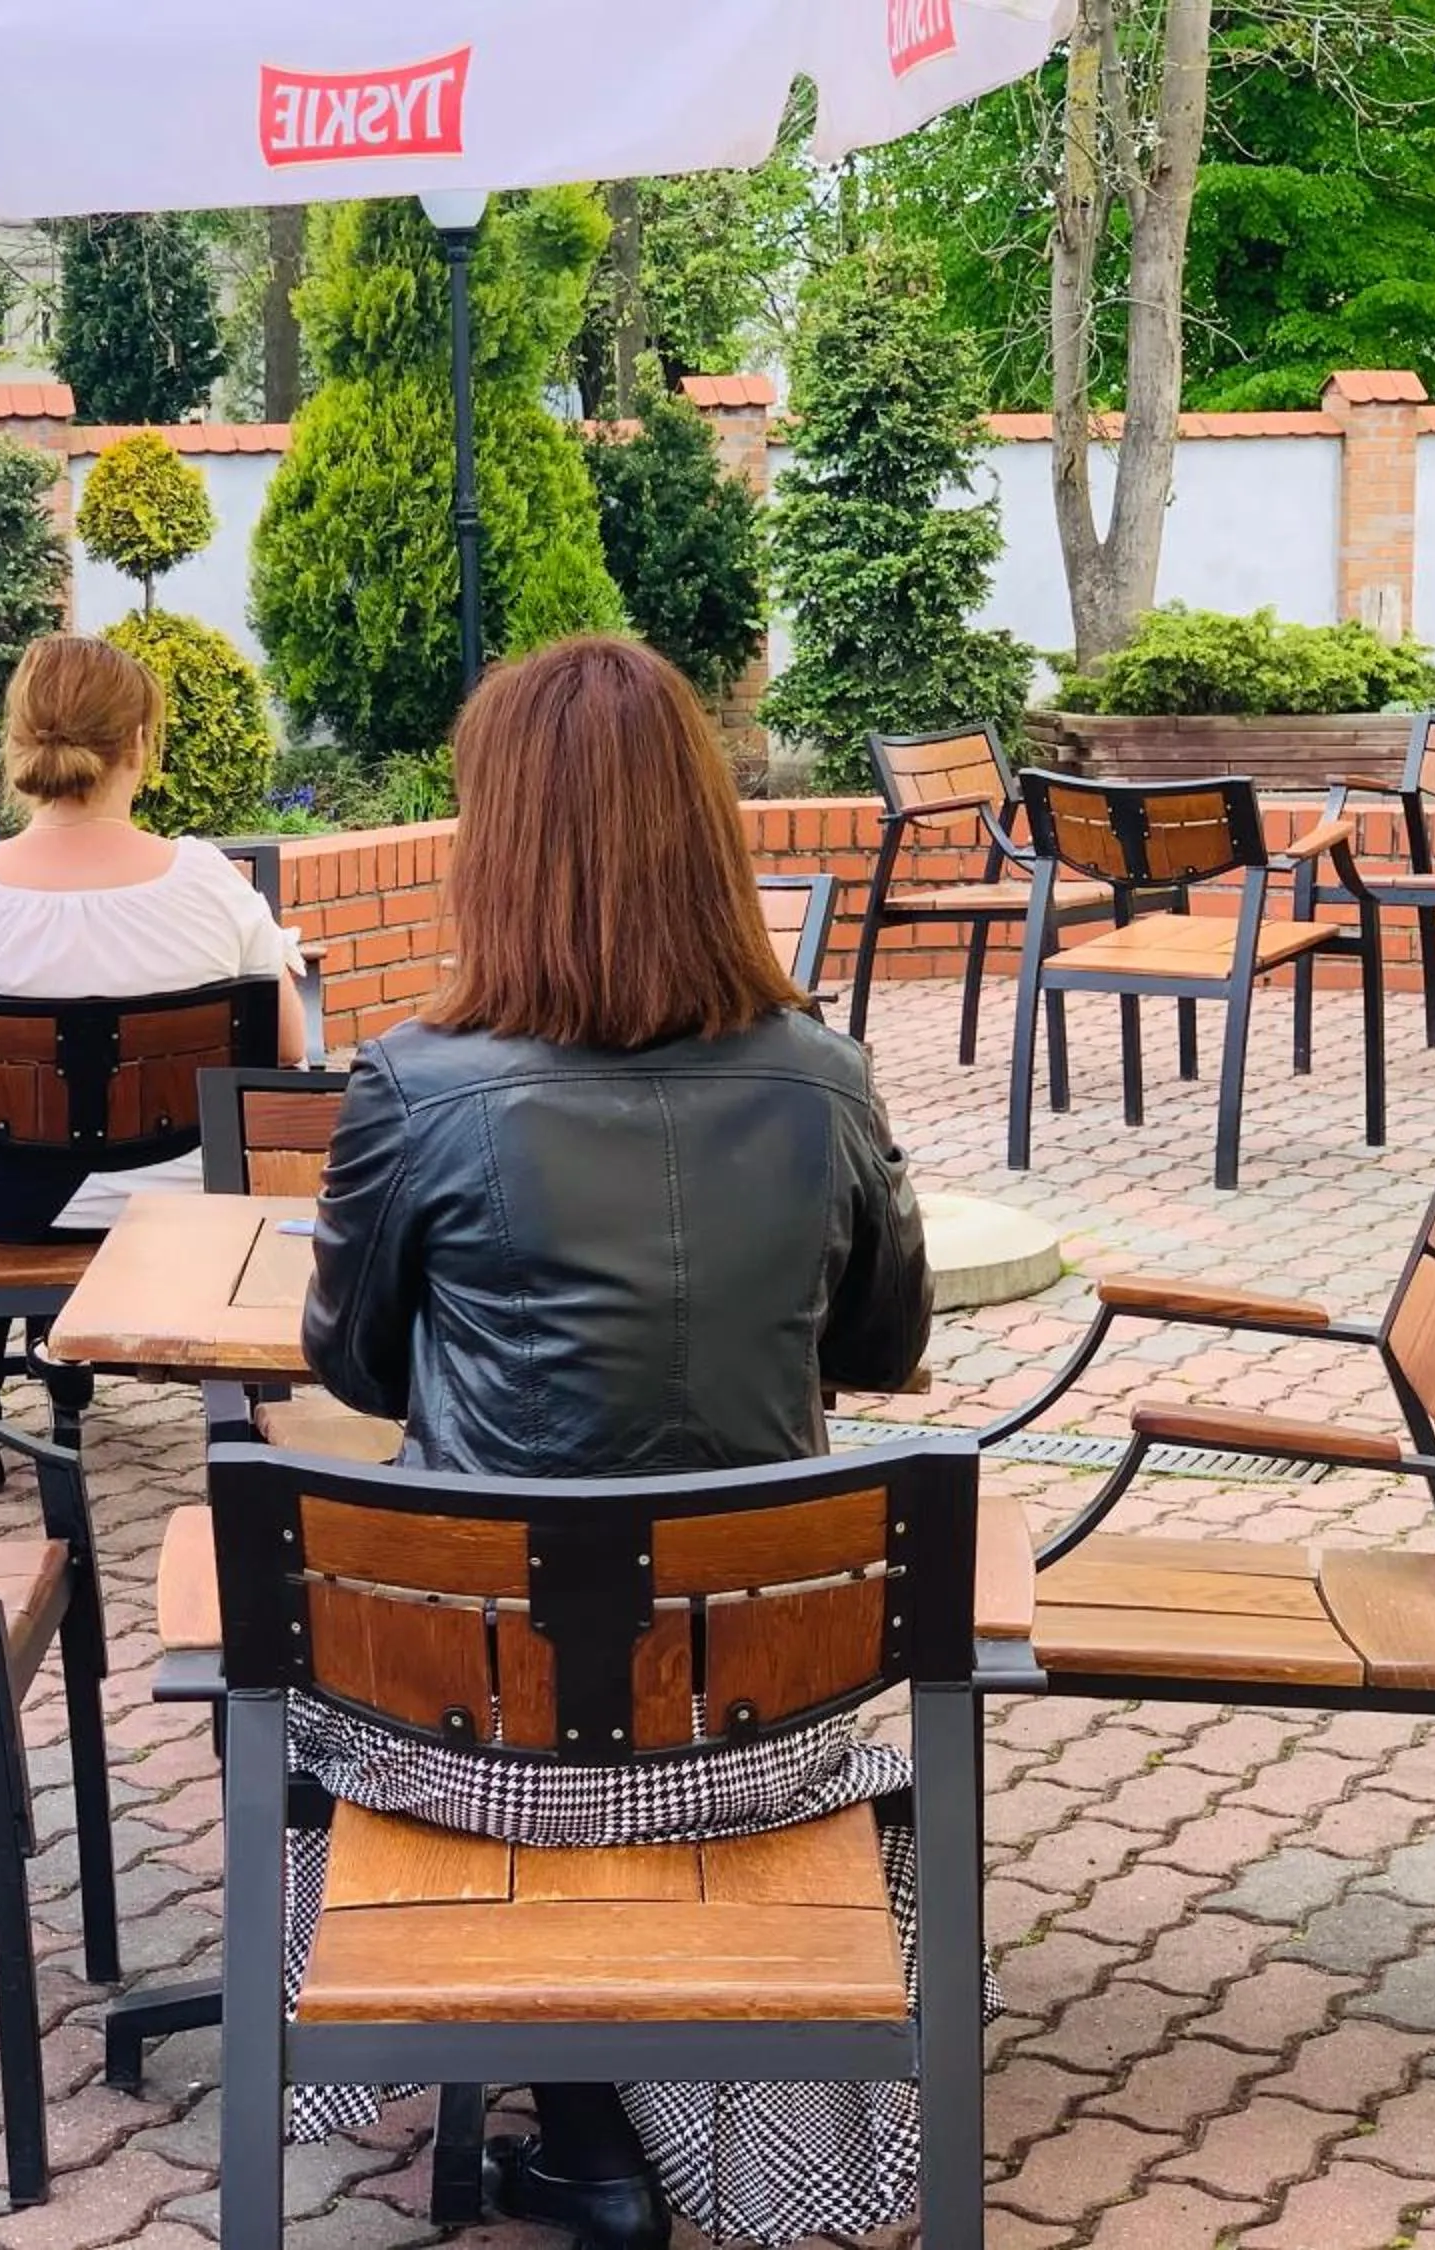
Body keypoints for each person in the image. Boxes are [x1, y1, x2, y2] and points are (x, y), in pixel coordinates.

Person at [299, 636, 935, 2250]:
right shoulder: (827, 1079)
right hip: (768, 1724)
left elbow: (352, 1368)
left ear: (496, 848)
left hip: (477, 1734)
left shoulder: (412, 1089)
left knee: (312, 1643)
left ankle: (587, 2129)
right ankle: (668, 2115)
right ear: (708, 837)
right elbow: (884, 1346)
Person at [0, 633, 304, 1488]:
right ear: (140, 745)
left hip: (12, 1208)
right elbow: (288, 1050)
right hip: (188, 1202)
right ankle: (246, 1425)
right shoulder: (210, 883)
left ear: (18, 743)